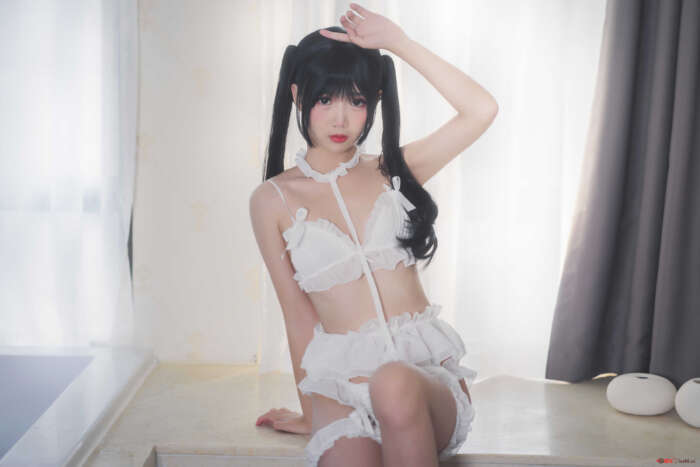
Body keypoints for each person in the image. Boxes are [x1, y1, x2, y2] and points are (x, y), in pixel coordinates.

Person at [249, 3, 498, 466]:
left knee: (392, 382)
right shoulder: (272, 200)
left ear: (375, 102)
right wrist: (310, 412)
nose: (340, 119)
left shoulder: (394, 171)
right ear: (299, 96)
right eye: (326, 99)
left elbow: (481, 110)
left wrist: (399, 43)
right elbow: (298, 315)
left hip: (421, 385)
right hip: (342, 389)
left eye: (357, 101)